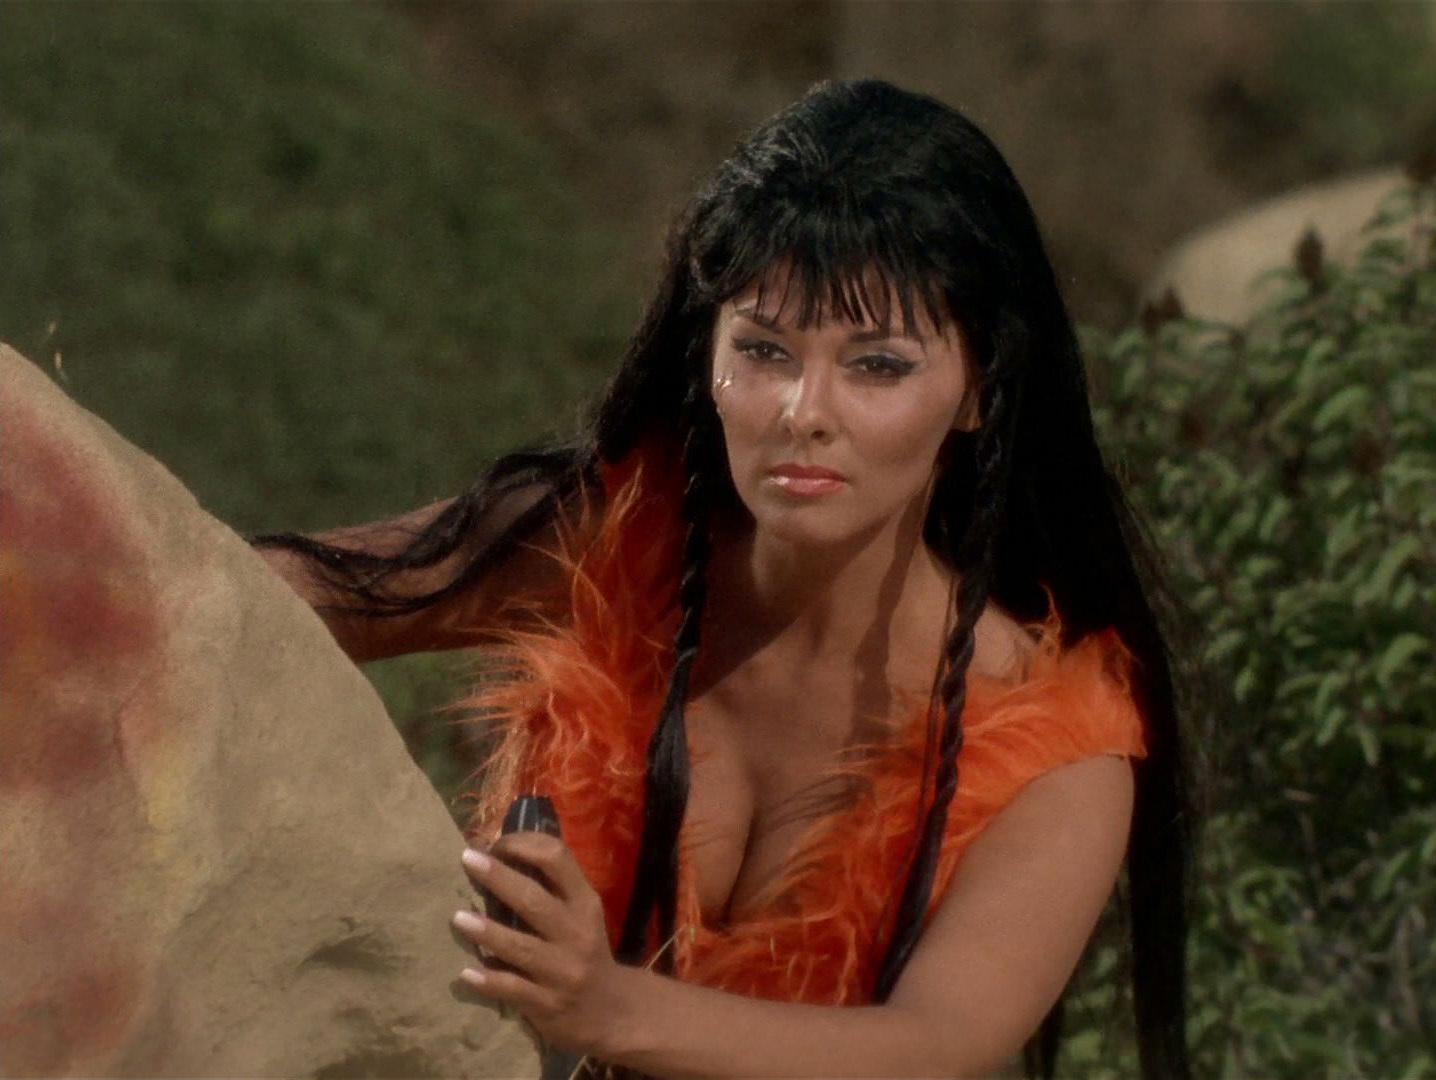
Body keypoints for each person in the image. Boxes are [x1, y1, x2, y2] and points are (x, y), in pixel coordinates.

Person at [255, 79, 1192, 1079]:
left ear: (977, 394)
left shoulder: (1057, 752)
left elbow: (934, 1047)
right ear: (707, 354)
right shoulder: (607, 547)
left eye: (876, 365)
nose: (803, 411)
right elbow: (262, 594)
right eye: (763, 349)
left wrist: (605, 1008)